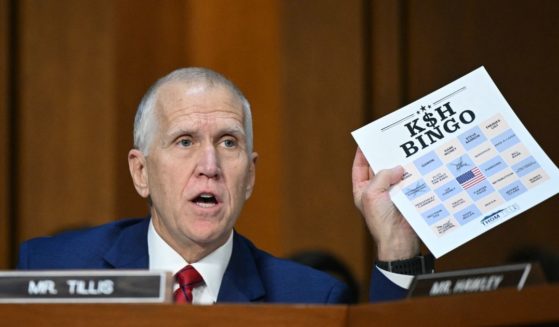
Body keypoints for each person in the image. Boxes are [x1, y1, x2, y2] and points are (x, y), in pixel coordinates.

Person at [17, 67, 432, 303]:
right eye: (185, 141)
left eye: (228, 142)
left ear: (249, 176)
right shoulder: (51, 269)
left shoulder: (310, 297)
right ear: (141, 172)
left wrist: (397, 248)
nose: (210, 166)